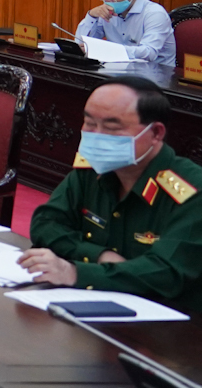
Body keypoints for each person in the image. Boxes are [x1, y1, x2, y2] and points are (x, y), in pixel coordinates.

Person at [20, 76, 202, 312]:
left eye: (112, 127)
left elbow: (166, 273)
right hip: (96, 306)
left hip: (172, 320)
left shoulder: (191, 191)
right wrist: (99, 255)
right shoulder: (93, 170)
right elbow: (45, 224)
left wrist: (75, 272)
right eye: (89, 123)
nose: (96, 135)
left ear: (156, 133)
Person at [75, 0, 176, 68]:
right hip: (116, 70)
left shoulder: (155, 14)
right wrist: (91, 16)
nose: (107, 0)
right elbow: (81, 45)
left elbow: (149, 53)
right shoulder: (106, 11)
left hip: (154, 73)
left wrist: (109, 50)